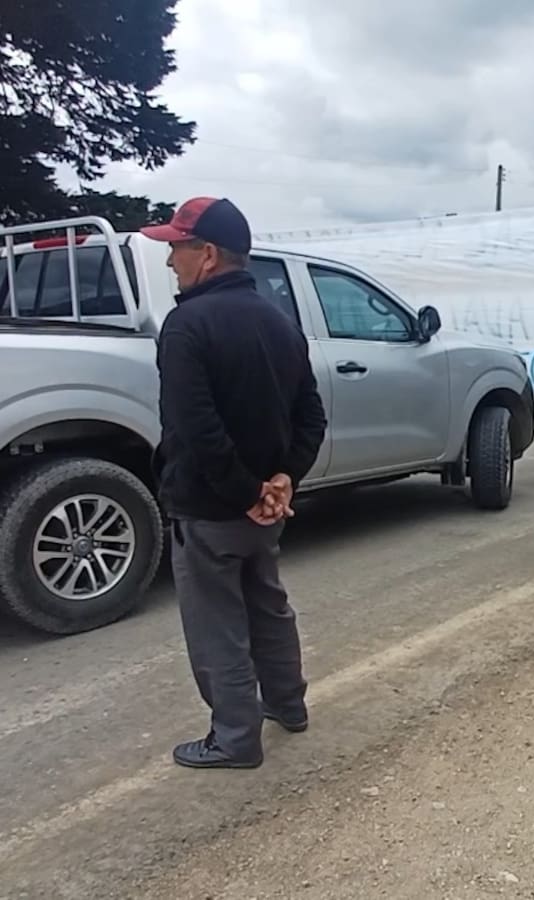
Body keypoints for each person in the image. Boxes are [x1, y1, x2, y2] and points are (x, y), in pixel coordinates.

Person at [143, 197, 327, 769]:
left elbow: (197, 431)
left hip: (211, 507)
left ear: (208, 255)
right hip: (261, 509)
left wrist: (250, 492)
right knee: (267, 605)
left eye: (177, 246)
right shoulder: (280, 322)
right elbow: (311, 416)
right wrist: (281, 480)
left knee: (217, 621)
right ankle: (288, 706)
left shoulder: (186, 326)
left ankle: (235, 739)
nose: (170, 259)